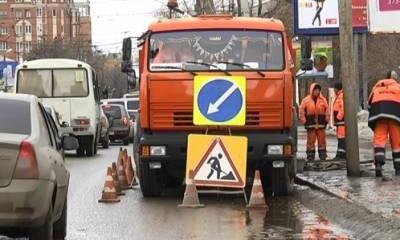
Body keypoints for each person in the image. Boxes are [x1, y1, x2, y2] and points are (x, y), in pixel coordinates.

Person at [368, 70, 400, 177]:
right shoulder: (398, 87)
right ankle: (398, 168)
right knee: (397, 143)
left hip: (379, 116)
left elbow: (369, 103)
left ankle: (378, 164)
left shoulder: (376, 87)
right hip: (394, 117)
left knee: (379, 140)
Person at [300, 83, 330, 161]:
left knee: (322, 141)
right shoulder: (305, 100)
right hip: (310, 125)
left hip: (321, 124)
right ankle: (310, 156)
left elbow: (327, 111)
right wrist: (304, 121)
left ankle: (323, 155)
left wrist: (327, 120)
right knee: (310, 142)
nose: (317, 91)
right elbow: (301, 111)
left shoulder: (323, 100)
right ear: (312, 90)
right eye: (315, 90)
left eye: (318, 90)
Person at [332, 82, 346, 160]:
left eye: (334, 88)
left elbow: (342, 107)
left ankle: (341, 154)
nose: (334, 90)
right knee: (341, 138)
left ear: (337, 89)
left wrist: (338, 117)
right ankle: (341, 154)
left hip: (341, 122)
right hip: (340, 122)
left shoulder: (341, 96)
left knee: (341, 138)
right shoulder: (339, 96)